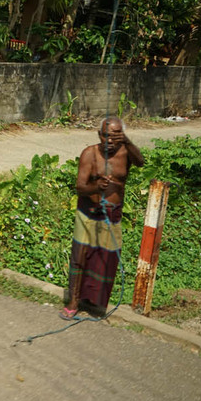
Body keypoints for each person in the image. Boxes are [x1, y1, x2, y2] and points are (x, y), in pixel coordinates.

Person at [61, 116, 144, 320]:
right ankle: (73, 301)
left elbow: (141, 163)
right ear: (99, 135)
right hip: (88, 212)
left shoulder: (126, 152)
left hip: (112, 213)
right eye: (106, 136)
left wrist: (126, 140)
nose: (109, 141)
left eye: (115, 137)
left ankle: (92, 302)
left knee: (104, 258)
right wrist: (97, 187)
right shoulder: (90, 153)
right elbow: (80, 187)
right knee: (80, 257)